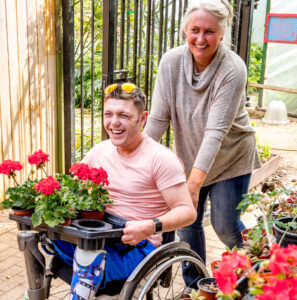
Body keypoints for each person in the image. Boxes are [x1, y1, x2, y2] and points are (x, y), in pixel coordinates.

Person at [144, 0, 261, 289]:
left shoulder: (233, 69)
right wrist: (135, 158)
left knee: (224, 225)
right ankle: (195, 285)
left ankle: (253, 278)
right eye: (195, 30)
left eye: (209, 31)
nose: (200, 38)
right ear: (185, 30)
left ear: (222, 34)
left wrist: (193, 185)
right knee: (188, 224)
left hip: (231, 157)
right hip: (191, 155)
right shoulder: (171, 62)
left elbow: (216, 132)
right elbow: (158, 119)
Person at [63, 82, 196, 300]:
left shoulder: (160, 160)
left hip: (137, 247)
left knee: (88, 255)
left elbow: (188, 212)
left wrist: (150, 226)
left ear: (142, 119)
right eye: (108, 114)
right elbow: (74, 187)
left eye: (123, 115)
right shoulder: (101, 150)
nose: (113, 122)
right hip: (101, 234)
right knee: (40, 236)